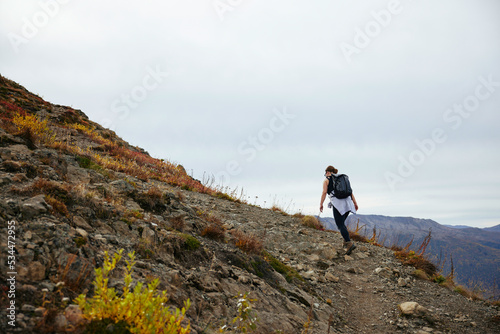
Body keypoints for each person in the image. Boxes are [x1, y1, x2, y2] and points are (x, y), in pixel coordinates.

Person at [319, 165, 359, 255]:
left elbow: (324, 192)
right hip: (348, 203)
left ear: (328, 172)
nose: (325, 175)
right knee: (342, 224)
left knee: (340, 225)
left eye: (325, 173)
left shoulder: (326, 180)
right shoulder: (342, 179)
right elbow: (350, 192)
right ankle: (345, 242)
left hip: (338, 205)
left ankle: (349, 243)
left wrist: (321, 204)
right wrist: (355, 203)